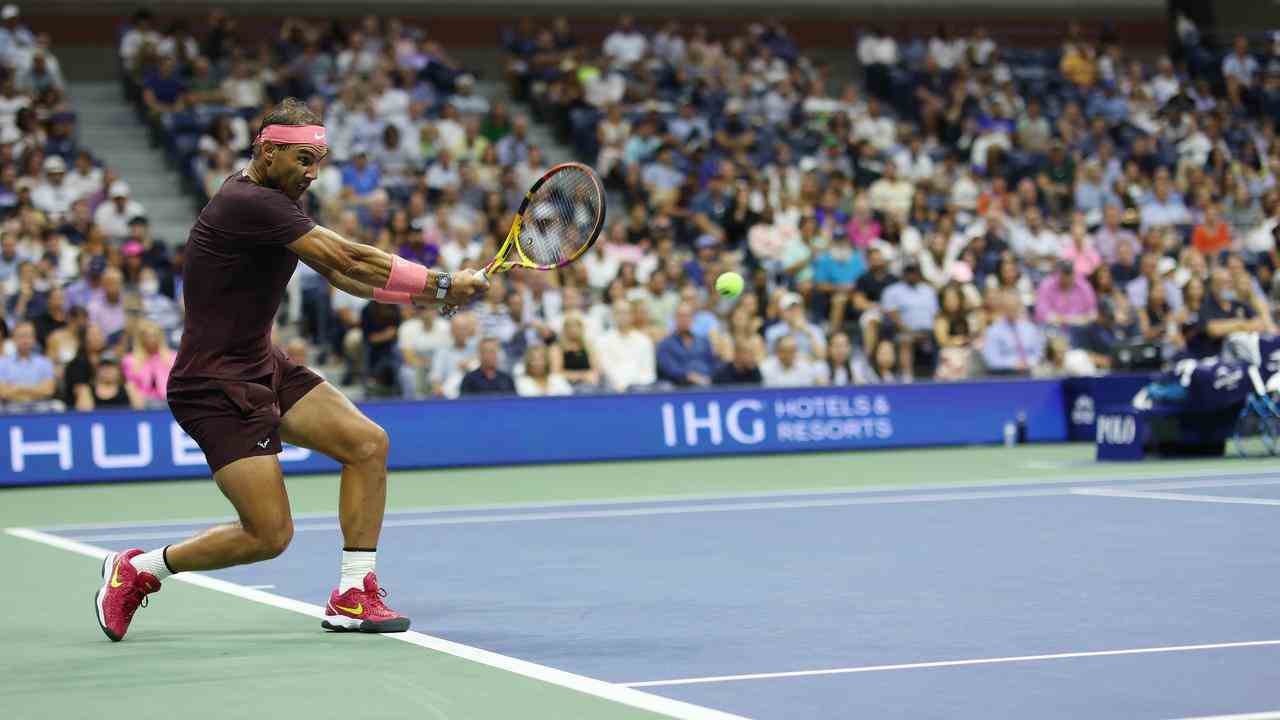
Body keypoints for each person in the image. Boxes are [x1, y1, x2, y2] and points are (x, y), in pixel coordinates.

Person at [95, 99, 487, 642]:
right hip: (214, 387)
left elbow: (341, 275)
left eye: (319, 160)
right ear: (267, 149)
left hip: (263, 365)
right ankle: (139, 571)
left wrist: (431, 300)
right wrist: (442, 284)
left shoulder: (275, 204)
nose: (312, 172)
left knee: (367, 445)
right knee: (269, 535)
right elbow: (348, 258)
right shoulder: (248, 202)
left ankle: (354, 593)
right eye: (303, 159)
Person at [981, 290, 1046, 376]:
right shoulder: (993, 331)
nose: (1011, 310)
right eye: (1008, 307)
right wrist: (1013, 364)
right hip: (1005, 375)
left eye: (1014, 306)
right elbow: (991, 360)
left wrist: (1028, 363)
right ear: (1002, 308)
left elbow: (1039, 353)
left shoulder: (1030, 329)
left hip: (1031, 371)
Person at [656, 301, 717, 387]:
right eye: (681, 316)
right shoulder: (665, 344)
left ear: (693, 319)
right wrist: (689, 376)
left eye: (688, 316)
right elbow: (668, 368)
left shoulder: (704, 342)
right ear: (675, 318)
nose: (684, 319)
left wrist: (709, 378)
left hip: (706, 385)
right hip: (679, 388)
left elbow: (712, 364)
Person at [0, 321, 57, 411]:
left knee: (56, 406)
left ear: (34, 339)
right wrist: (36, 389)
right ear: (13, 339)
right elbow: (2, 392)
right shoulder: (2, 363)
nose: (25, 340)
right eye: (21, 336)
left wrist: (18, 388)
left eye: (28, 336)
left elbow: (49, 390)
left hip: (40, 407)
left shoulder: (45, 362)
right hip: (10, 408)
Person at [122, 320, 175, 407]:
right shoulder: (130, 360)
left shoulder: (172, 357)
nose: (151, 339)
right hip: (144, 400)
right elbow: (131, 384)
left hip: (169, 399)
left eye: (154, 335)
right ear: (141, 338)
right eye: (147, 336)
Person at [77, 360, 142, 410]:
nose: (108, 370)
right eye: (104, 366)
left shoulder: (128, 389)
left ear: (119, 370)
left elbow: (140, 412)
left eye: (112, 366)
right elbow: (84, 415)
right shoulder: (87, 390)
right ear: (97, 370)